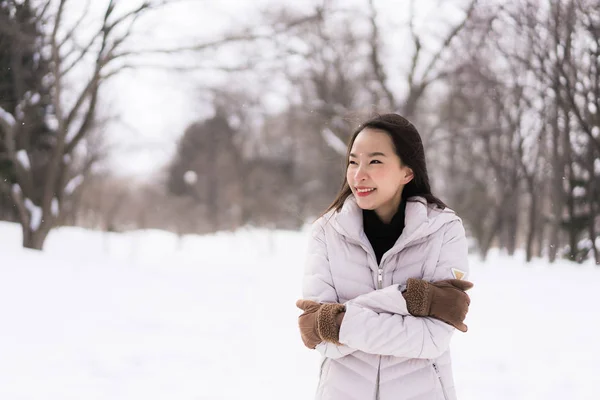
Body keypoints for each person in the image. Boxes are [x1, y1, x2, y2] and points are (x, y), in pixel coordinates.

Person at [296, 113, 474, 400]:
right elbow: (318, 336)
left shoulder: (444, 229)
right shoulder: (326, 232)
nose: (358, 174)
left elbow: (432, 338)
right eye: (353, 161)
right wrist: (411, 300)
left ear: (407, 172)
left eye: (375, 161)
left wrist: (342, 319)